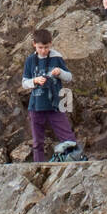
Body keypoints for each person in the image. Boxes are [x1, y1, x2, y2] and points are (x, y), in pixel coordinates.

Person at [21, 28, 77, 162]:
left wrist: (60, 72)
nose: (43, 50)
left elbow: (69, 77)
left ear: (51, 43)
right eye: (40, 47)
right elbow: (24, 83)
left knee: (68, 137)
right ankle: (38, 167)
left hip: (55, 105)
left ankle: (76, 162)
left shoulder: (56, 57)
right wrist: (35, 81)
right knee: (37, 142)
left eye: (46, 47)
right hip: (36, 106)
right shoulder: (30, 60)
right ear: (34, 44)